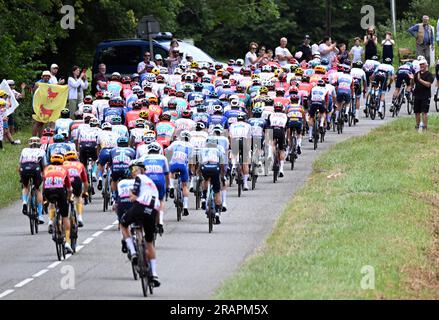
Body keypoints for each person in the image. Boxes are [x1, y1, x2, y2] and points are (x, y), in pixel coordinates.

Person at [119, 160, 161, 287]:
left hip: (141, 206)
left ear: (140, 170)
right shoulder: (151, 183)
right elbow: (158, 207)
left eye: (134, 170)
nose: (133, 172)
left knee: (123, 224)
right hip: (153, 209)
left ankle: (133, 252)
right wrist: (158, 224)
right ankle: (154, 274)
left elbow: (133, 197)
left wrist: (132, 195)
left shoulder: (139, 178)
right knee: (149, 243)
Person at [44, 154, 73, 254]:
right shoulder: (64, 169)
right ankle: (68, 242)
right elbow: (69, 188)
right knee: (65, 216)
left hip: (47, 191)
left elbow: (43, 184)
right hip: (60, 190)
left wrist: (45, 200)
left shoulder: (47, 169)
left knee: (51, 203)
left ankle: (51, 221)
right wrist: (69, 198)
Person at [165, 130, 193, 216]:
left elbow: (167, 151)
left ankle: (172, 186)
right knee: (185, 185)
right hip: (183, 165)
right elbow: (192, 161)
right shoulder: (191, 146)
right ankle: (185, 207)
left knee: (170, 172)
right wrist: (191, 171)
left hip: (173, 163)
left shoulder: (175, 143)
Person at [19, 137, 47, 224]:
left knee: (25, 186)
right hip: (35, 168)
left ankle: (24, 202)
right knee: (38, 189)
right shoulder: (42, 151)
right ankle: (40, 215)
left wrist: (21, 177)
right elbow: (45, 165)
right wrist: (44, 176)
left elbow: (20, 165)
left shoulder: (24, 150)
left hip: (24, 168)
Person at [63, 151, 88, 227]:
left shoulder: (63, 165)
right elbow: (85, 182)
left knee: (63, 198)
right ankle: (80, 217)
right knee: (78, 197)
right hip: (76, 179)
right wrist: (85, 192)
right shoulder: (80, 164)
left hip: (66, 180)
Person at [412, 58, 434, 131]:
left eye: (422, 64)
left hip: (425, 96)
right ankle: (417, 126)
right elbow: (413, 83)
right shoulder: (417, 74)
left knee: (424, 112)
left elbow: (428, 84)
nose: (421, 66)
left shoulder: (429, 74)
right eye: (420, 64)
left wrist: (420, 80)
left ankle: (425, 127)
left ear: (426, 65)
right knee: (417, 112)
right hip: (417, 95)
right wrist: (411, 79)